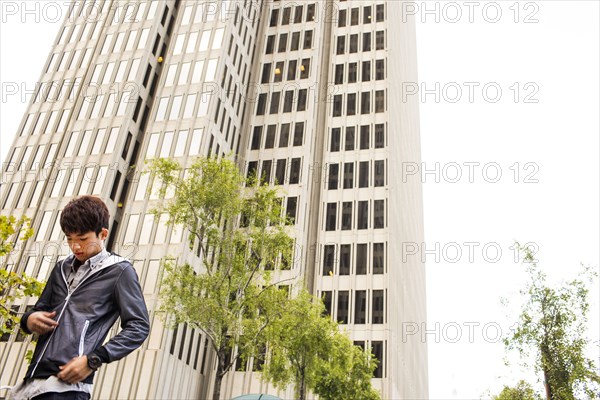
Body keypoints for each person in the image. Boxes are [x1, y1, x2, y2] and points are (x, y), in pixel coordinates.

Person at [11, 195, 150, 400]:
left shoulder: (120, 271)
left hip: (68, 387)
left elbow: (139, 326)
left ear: (103, 234)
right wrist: (28, 320)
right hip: (32, 381)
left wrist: (93, 360)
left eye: (83, 239)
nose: (75, 246)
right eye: (69, 238)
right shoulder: (60, 269)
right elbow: (38, 310)